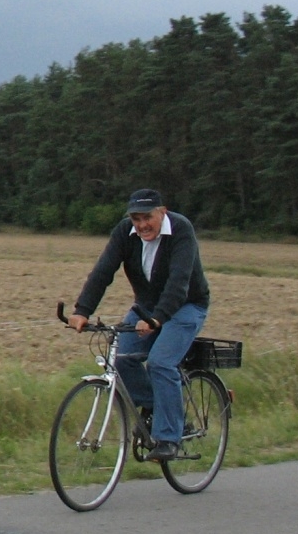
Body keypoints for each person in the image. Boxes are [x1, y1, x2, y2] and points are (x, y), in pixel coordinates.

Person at [68, 188, 210, 461]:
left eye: (147, 217)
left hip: (186, 305)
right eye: (136, 218)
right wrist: (82, 310)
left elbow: (179, 281)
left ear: (162, 212)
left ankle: (168, 437)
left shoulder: (181, 230)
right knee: (121, 359)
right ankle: (157, 407)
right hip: (146, 307)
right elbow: (103, 271)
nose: (142, 224)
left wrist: (158, 319)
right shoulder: (125, 232)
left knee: (160, 362)